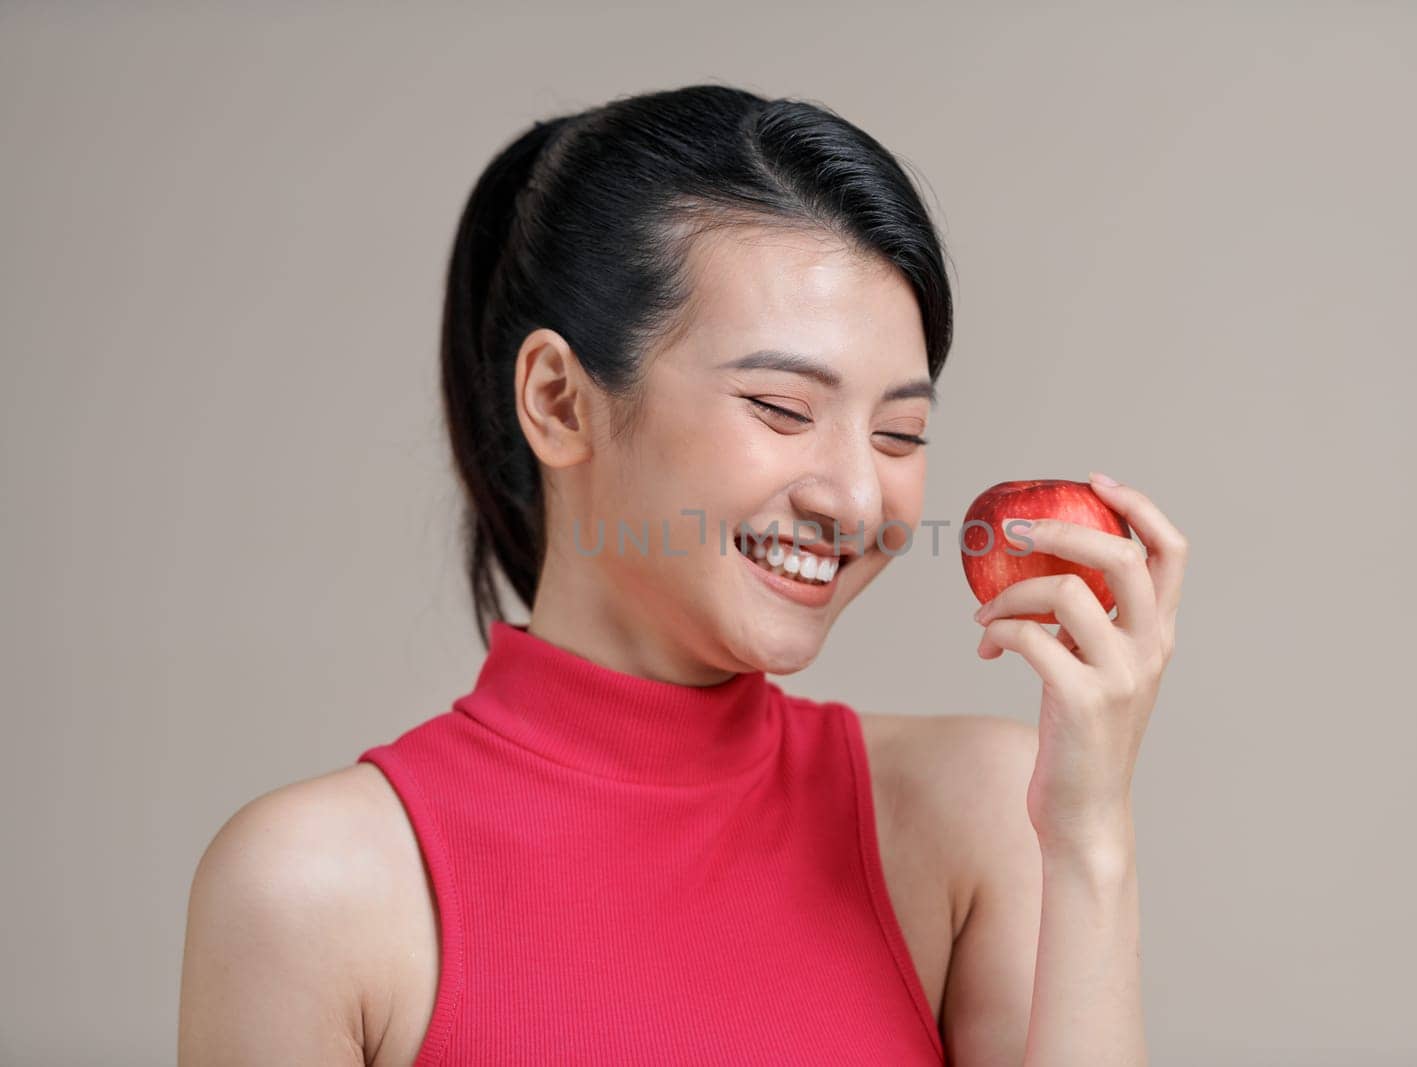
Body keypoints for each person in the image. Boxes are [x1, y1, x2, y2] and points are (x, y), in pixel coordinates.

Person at [178, 84, 1188, 1065]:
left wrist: (1090, 838)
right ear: (559, 402)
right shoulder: (313, 890)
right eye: (782, 408)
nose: (853, 496)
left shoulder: (982, 816)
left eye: (899, 431)